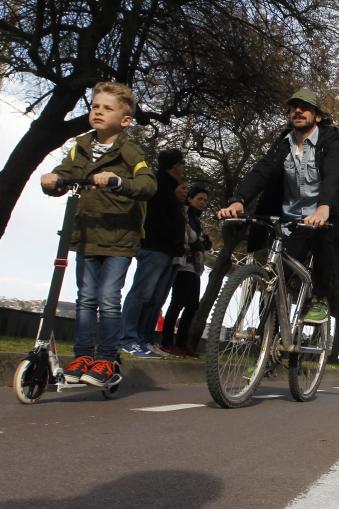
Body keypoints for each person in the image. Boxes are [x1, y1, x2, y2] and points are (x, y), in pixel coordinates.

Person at [217, 87, 339, 322]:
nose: (298, 111)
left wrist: (324, 206)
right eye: (293, 107)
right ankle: (272, 340)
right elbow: (261, 171)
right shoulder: (284, 144)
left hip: (329, 211)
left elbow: (335, 174)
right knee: (277, 274)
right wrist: (239, 200)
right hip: (293, 218)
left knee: (325, 236)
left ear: (317, 116)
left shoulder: (329, 140)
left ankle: (320, 297)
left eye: (305, 108)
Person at [40, 81, 156, 387]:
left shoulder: (130, 152)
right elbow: (66, 173)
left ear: (126, 119)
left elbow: (148, 185)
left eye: (107, 108)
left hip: (119, 238)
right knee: (85, 299)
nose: (98, 112)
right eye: (95, 106)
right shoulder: (82, 146)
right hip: (87, 234)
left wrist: (120, 182)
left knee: (108, 299)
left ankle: (105, 358)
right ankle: (82, 356)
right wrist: (52, 180)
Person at [120, 148, 187, 358]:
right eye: (182, 163)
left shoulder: (172, 188)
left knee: (156, 299)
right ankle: (128, 338)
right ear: (175, 165)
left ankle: (144, 339)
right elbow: (156, 216)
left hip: (168, 250)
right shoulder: (158, 184)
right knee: (142, 294)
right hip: (154, 246)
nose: (184, 168)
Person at [160, 185, 212, 357]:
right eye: (200, 199)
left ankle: (181, 343)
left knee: (192, 306)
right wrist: (198, 244)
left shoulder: (197, 219)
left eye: (205, 200)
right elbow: (189, 239)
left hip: (194, 267)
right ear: (190, 199)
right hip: (184, 265)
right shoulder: (186, 215)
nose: (203, 203)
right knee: (177, 303)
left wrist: (204, 243)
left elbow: (201, 243)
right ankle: (167, 342)